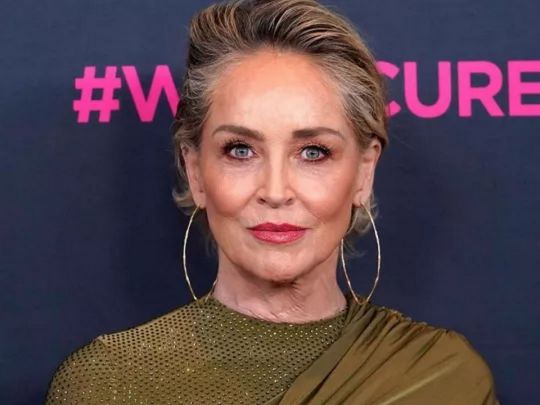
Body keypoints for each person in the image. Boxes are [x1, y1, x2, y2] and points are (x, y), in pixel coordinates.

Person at [45, 0, 498, 403]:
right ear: (195, 171)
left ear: (364, 172)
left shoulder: (440, 377)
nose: (276, 191)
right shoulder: (106, 382)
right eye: (240, 150)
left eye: (313, 152)